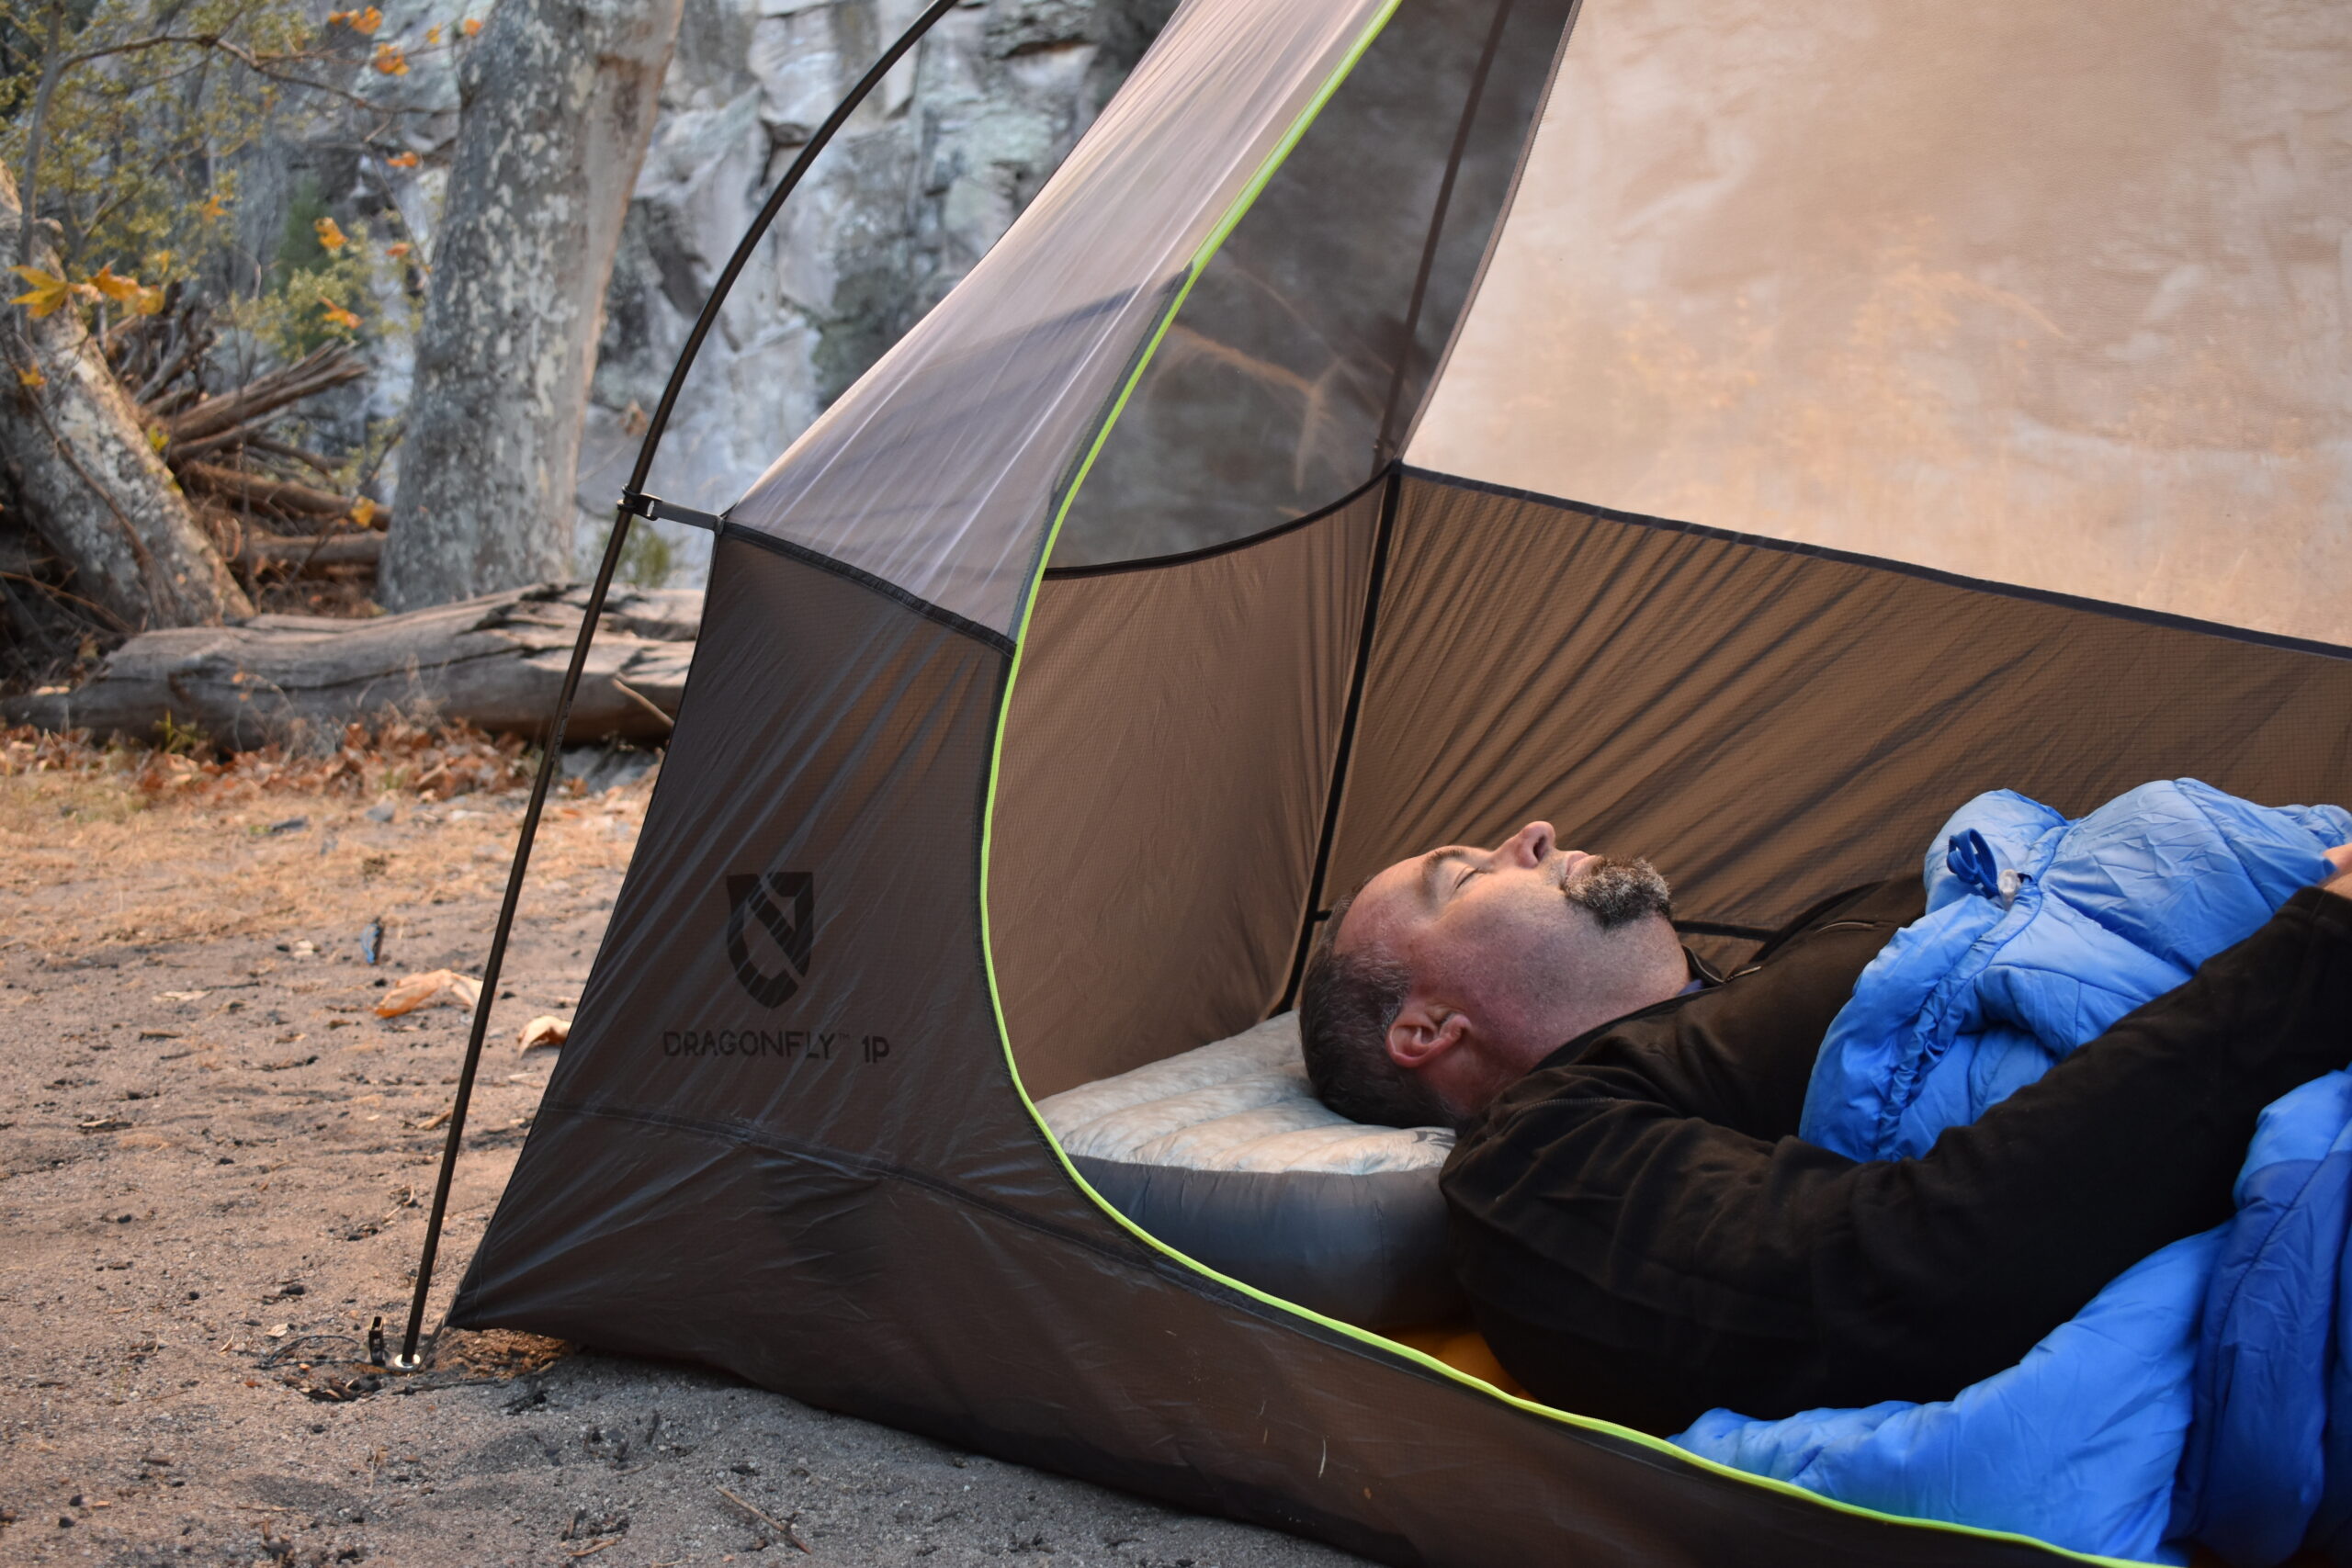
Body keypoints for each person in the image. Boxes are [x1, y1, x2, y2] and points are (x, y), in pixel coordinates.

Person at [1298, 821, 2352, 1434]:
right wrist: (2324, 951)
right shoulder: (1536, 1163)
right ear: (1427, 1029)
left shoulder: (1800, 946)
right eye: (1466, 874)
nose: (1531, 830)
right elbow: (1906, 1273)